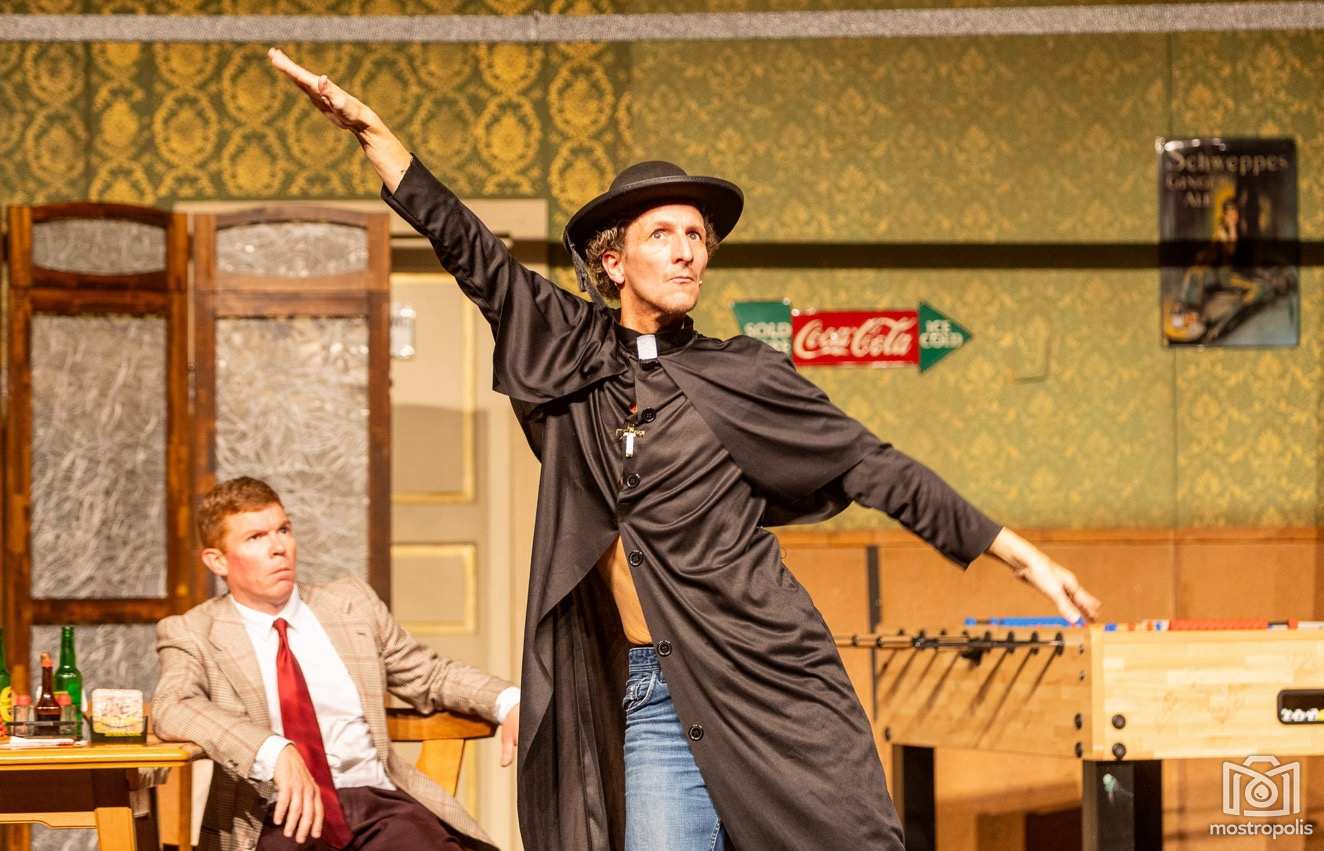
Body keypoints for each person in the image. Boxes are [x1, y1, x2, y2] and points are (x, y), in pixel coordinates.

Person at [267, 47, 1101, 851]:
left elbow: (872, 465)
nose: (686, 249)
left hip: (769, 677)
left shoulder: (744, 373)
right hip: (654, 692)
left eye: (696, 235)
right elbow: (473, 252)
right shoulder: (572, 349)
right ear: (613, 259)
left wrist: (1015, 551)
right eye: (662, 232)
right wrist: (373, 135)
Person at [152, 476, 519, 851]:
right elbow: (172, 706)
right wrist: (272, 750)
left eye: (283, 530)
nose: (279, 548)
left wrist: (508, 701)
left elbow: (430, 675)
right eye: (256, 537)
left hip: (378, 805)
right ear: (217, 560)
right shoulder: (193, 632)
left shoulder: (350, 605)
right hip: (273, 813)